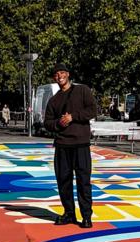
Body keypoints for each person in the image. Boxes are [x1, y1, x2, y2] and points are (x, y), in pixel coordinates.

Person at [42, 63, 98, 228]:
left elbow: (92, 110)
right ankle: (69, 213)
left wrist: (73, 117)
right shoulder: (54, 100)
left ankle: (86, 216)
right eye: (56, 74)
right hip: (62, 145)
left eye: (62, 73)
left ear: (68, 74)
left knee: (83, 181)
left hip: (81, 145)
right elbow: (47, 123)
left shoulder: (82, 90)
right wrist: (59, 123)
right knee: (63, 182)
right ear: (54, 78)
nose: (60, 76)